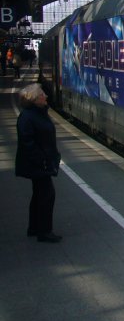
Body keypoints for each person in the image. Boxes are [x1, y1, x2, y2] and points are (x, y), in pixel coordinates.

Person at [15, 83, 62, 243]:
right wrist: (41, 159)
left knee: (39, 194)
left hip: (39, 162)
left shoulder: (36, 114)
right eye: (42, 94)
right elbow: (27, 142)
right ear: (35, 99)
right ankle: (44, 231)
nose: (46, 96)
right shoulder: (28, 117)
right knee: (47, 195)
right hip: (38, 163)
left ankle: (34, 227)